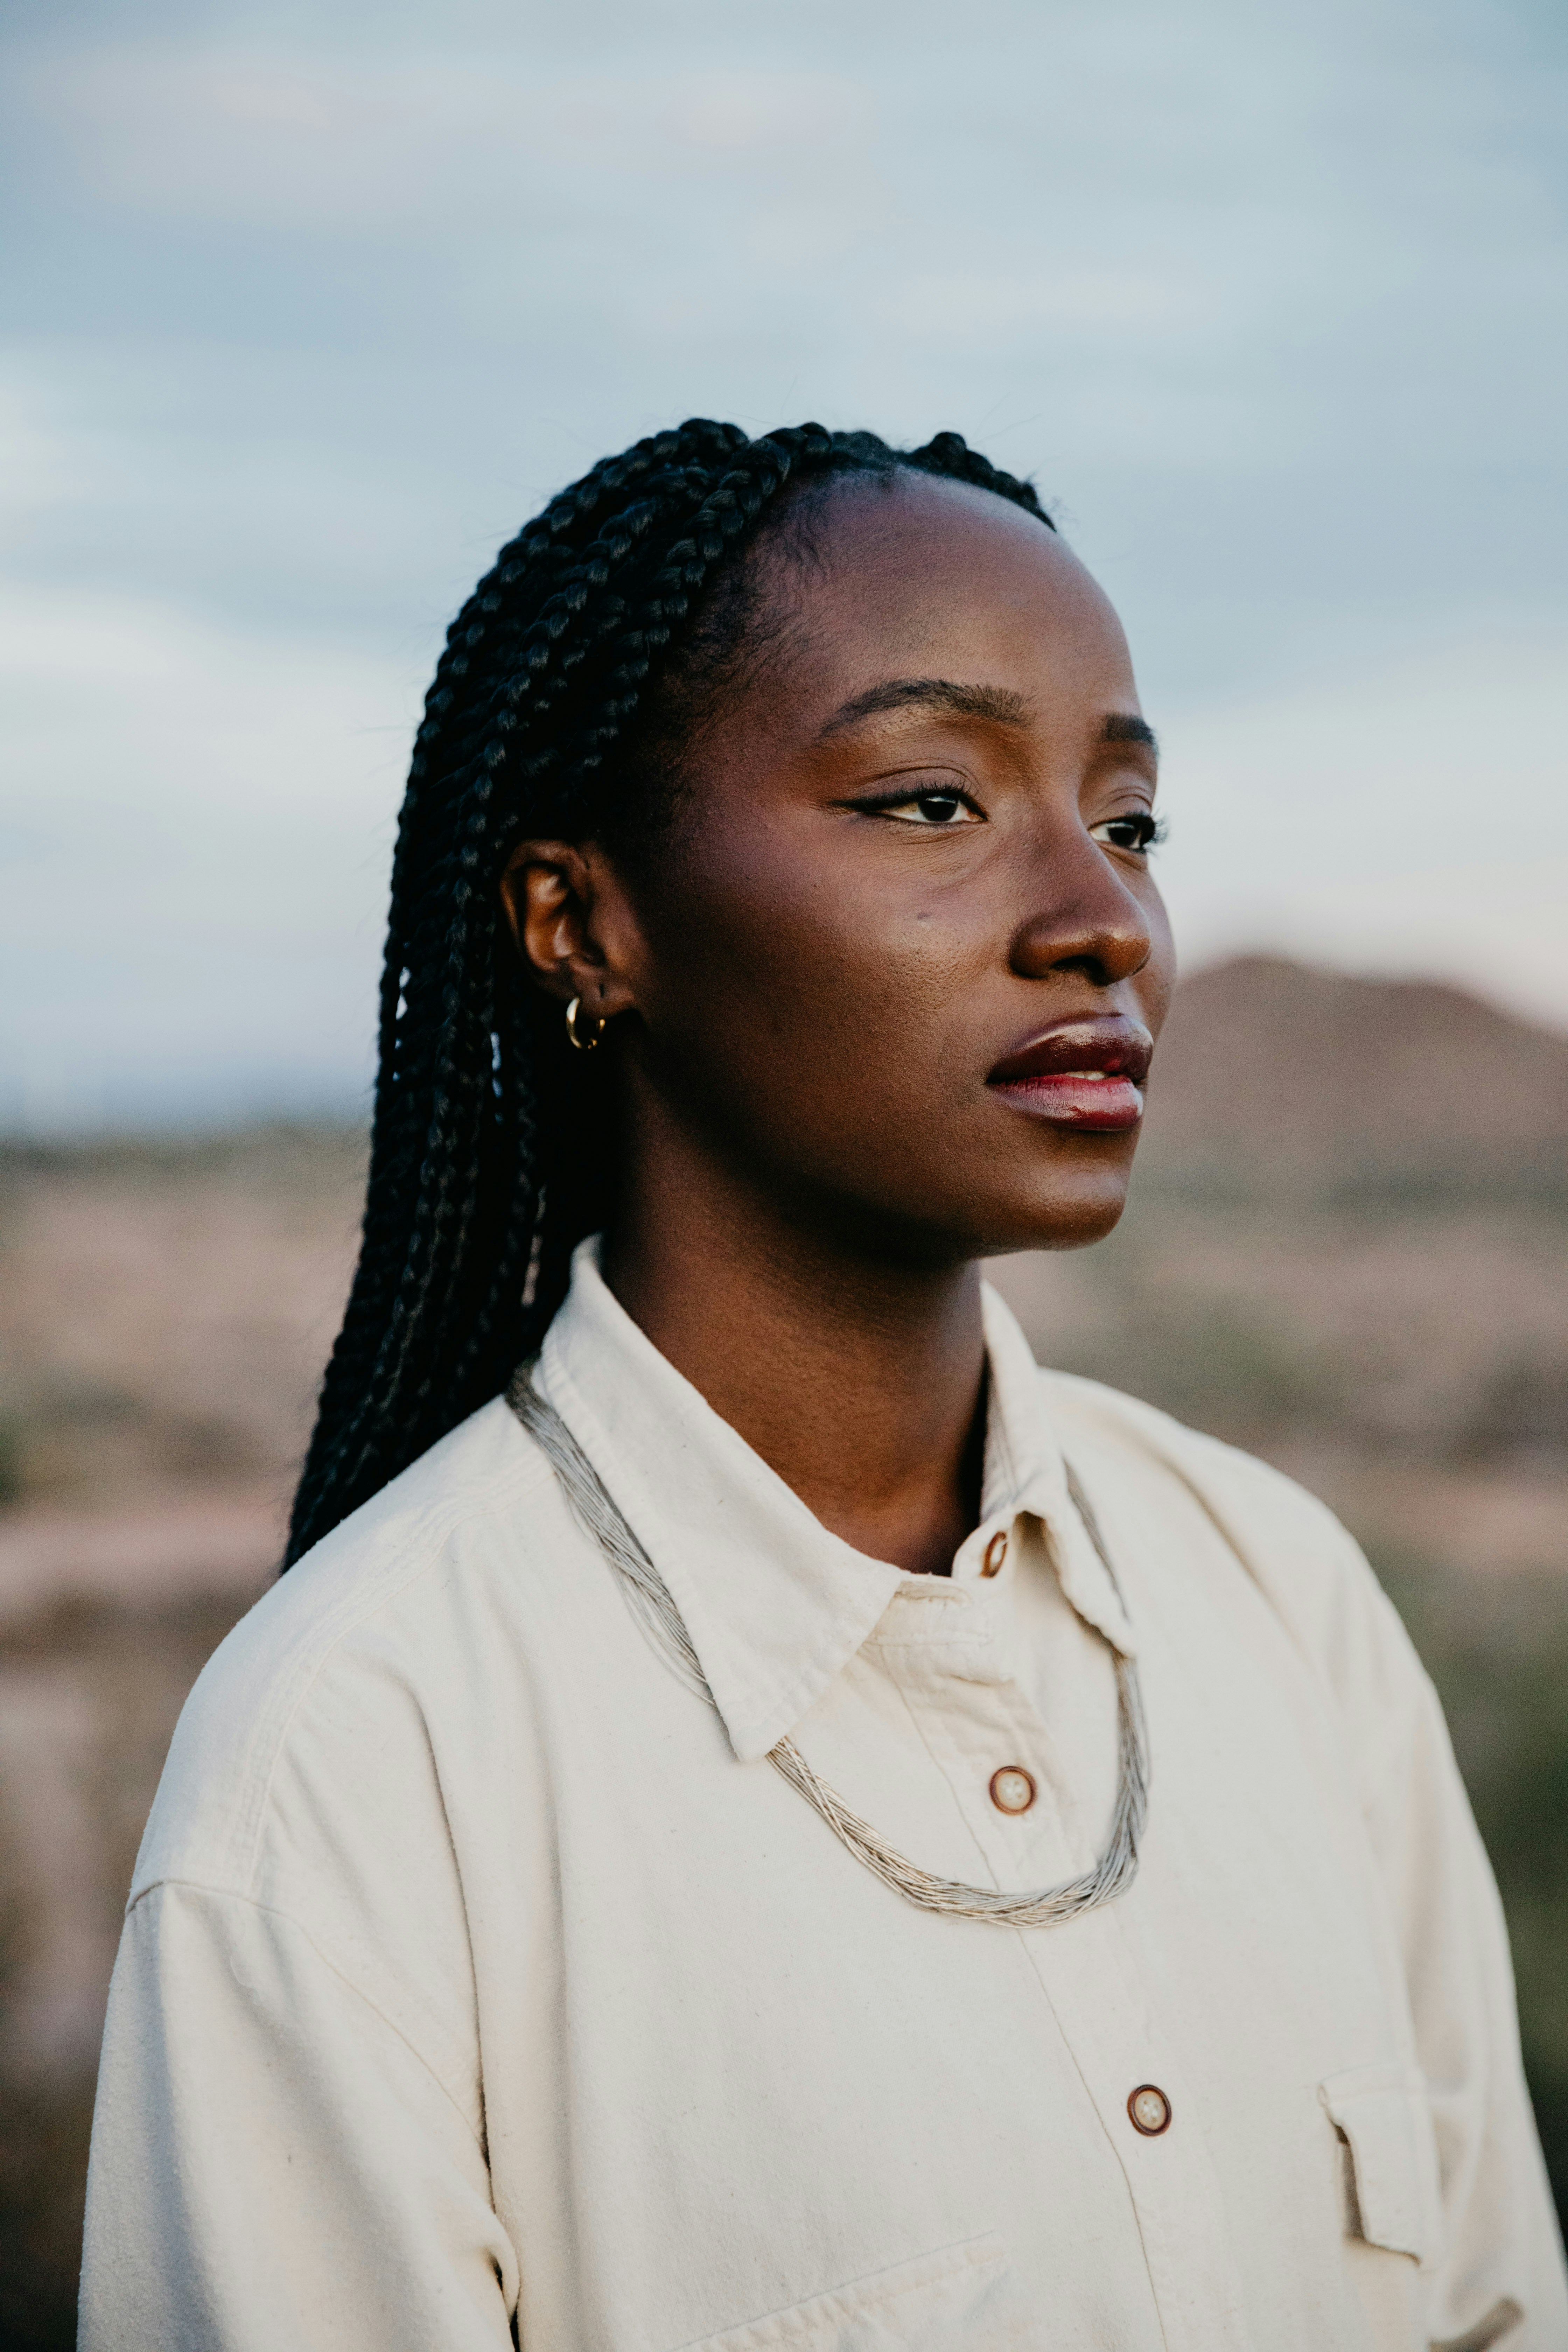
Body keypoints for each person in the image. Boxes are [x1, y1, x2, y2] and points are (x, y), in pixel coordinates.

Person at [79, 422, 1565, 2351]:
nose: (1100, 920)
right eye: (934, 801)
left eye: (1128, 821)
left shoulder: (1281, 1599)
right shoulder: (356, 1778)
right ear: (583, 924)